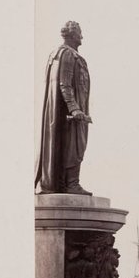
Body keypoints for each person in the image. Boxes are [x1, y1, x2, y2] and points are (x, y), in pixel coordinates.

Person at [36, 20, 93, 195]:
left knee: (72, 145)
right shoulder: (67, 54)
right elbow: (64, 84)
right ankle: (71, 184)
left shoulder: (60, 54)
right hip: (73, 113)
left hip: (73, 111)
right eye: (79, 33)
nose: (82, 36)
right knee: (74, 146)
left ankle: (67, 183)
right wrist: (74, 109)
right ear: (72, 34)